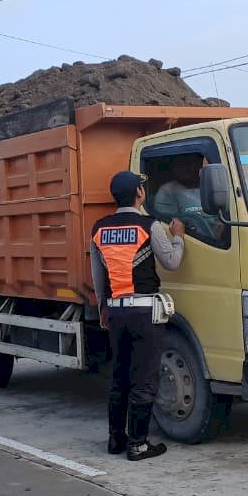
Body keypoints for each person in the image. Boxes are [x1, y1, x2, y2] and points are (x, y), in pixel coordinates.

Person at [91, 171, 185, 461]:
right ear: (139, 194)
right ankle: (139, 444)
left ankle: (115, 440)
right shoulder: (149, 226)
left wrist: (102, 307)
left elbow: (98, 276)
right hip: (145, 311)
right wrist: (178, 237)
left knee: (119, 375)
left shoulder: (99, 229)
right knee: (144, 377)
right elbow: (171, 261)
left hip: (116, 311)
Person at [153, 153, 224, 242]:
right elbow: (173, 225)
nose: (188, 168)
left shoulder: (208, 186)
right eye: (182, 165)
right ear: (174, 168)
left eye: (192, 164)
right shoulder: (167, 191)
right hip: (198, 241)